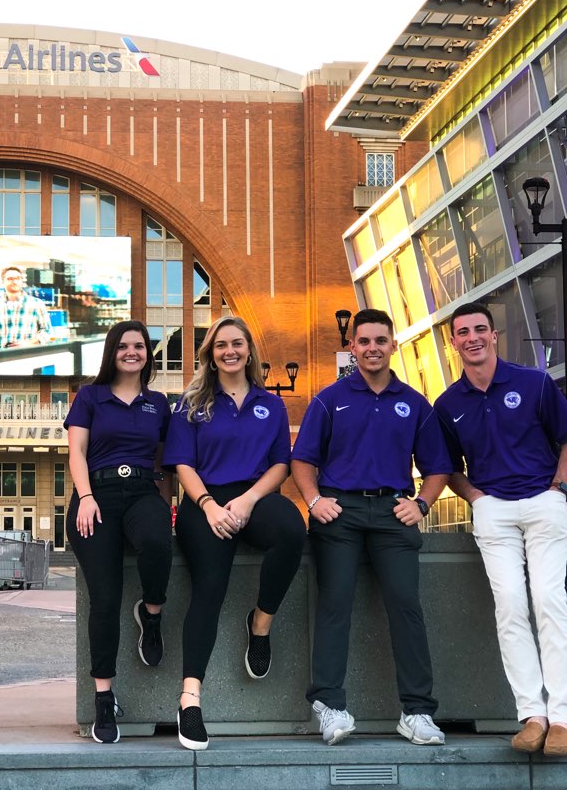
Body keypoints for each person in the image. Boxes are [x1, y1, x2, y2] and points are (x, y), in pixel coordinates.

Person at [291, 308, 450, 747]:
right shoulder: (330, 398)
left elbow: (438, 466)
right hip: (339, 513)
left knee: (405, 605)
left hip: (392, 512)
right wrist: (314, 500)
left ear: (392, 344)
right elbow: (301, 460)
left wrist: (421, 503)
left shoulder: (414, 403)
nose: (372, 348)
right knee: (335, 604)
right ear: (353, 348)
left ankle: (417, 712)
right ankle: (330, 706)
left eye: (381, 340)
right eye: (364, 342)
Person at [162, 315, 306, 751]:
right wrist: (208, 505)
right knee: (210, 587)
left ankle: (259, 626)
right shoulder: (192, 402)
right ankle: (190, 700)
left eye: (237, 343)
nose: (229, 351)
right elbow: (182, 464)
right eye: (221, 345)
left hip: (254, 497)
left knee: (292, 530)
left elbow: (281, 463)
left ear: (248, 350)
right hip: (203, 501)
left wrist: (246, 502)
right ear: (210, 353)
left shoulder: (270, 404)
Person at [433, 301, 567, 757]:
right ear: (454, 343)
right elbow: (445, 467)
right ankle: (533, 715)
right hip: (493, 509)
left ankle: (563, 717)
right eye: (462, 332)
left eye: (479, 330)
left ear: (494, 336)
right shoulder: (448, 403)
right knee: (510, 605)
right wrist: (477, 499)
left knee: (549, 600)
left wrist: (559, 487)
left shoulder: (533, 383)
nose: (471, 337)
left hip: (543, 501)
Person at [63, 320, 173, 745]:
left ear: (148, 353)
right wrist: (85, 496)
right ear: (112, 352)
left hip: (143, 491)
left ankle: (152, 613)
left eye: (140, 346)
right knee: (105, 600)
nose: (132, 352)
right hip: (98, 494)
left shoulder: (158, 403)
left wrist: (167, 504)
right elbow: (76, 451)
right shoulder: (90, 397)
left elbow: (166, 461)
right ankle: (104, 701)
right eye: (124, 346)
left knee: (157, 544)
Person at [0, 264, 52, 349]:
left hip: (29, 356)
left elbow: (47, 331)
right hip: (4, 357)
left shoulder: (36, 304)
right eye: (10, 279)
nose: (15, 281)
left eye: (18, 278)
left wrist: (28, 343)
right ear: (3, 282)